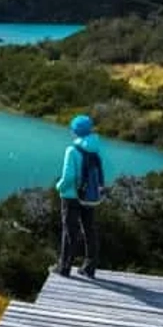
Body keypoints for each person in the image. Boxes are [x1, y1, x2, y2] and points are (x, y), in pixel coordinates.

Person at [53, 114, 107, 278]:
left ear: (75, 131)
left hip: (71, 197)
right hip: (89, 196)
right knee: (89, 229)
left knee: (70, 231)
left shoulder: (72, 150)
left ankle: (64, 267)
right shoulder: (96, 149)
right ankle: (89, 267)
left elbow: (69, 177)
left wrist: (59, 187)